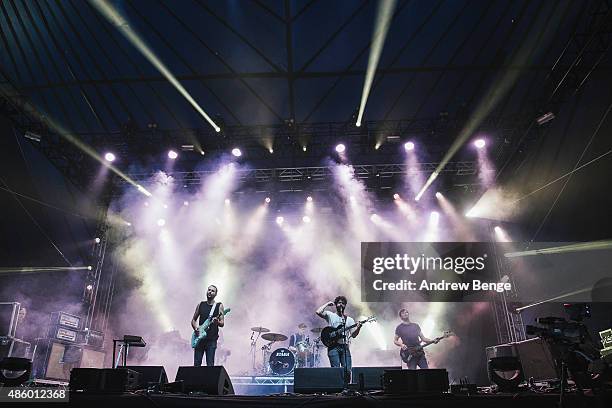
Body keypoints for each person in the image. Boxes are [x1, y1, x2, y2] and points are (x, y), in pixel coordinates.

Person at [316, 296, 362, 384]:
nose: (341, 304)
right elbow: (318, 312)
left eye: (343, 303)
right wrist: (327, 304)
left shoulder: (349, 320)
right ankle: (337, 392)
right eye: (339, 302)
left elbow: (354, 335)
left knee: (348, 370)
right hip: (333, 347)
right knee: (336, 371)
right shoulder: (330, 315)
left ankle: (346, 389)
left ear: (345, 306)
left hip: (344, 347)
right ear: (336, 304)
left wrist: (359, 328)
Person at [191, 285, 224, 366]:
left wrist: (217, 322)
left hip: (211, 340)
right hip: (200, 339)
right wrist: (196, 329)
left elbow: (222, 323)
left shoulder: (219, 306)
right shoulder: (201, 304)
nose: (210, 292)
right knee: (196, 364)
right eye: (209, 290)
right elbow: (193, 320)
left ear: (215, 294)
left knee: (210, 365)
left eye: (213, 291)